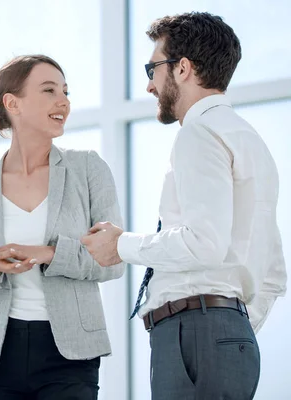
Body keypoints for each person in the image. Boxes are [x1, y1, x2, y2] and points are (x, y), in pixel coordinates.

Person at [82, 12, 287, 400]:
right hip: (224, 338)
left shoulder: (199, 132)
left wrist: (121, 245)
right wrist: (231, 331)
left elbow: (203, 242)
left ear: (183, 69)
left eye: (152, 68)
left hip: (192, 334)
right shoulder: (252, 142)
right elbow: (273, 274)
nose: (148, 85)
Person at [0, 55, 125, 400]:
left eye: (65, 91)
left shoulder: (88, 169)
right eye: (49, 90)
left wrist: (49, 254)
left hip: (69, 354)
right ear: (12, 103)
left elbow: (113, 260)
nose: (63, 102)